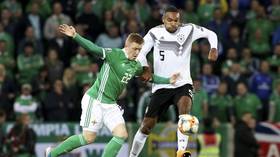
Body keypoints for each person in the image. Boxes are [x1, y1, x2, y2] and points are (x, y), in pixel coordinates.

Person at [45, 24, 180, 157]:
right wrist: (75, 36)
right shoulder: (114, 54)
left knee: (122, 135)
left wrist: (168, 81)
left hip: (110, 104)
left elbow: (149, 77)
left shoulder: (136, 65)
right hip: (95, 100)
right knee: (88, 138)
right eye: (135, 49)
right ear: (127, 46)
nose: (137, 53)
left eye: (140, 49)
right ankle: (52, 153)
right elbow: (94, 49)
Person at [129, 6, 218, 157]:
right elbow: (141, 52)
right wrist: (145, 67)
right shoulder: (154, 33)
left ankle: (181, 151)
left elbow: (211, 34)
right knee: (146, 127)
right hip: (161, 86)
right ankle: (132, 155)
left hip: (183, 83)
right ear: (163, 20)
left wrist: (213, 48)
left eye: (176, 20)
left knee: (185, 113)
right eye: (169, 20)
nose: (173, 23)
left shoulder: (189, 29)